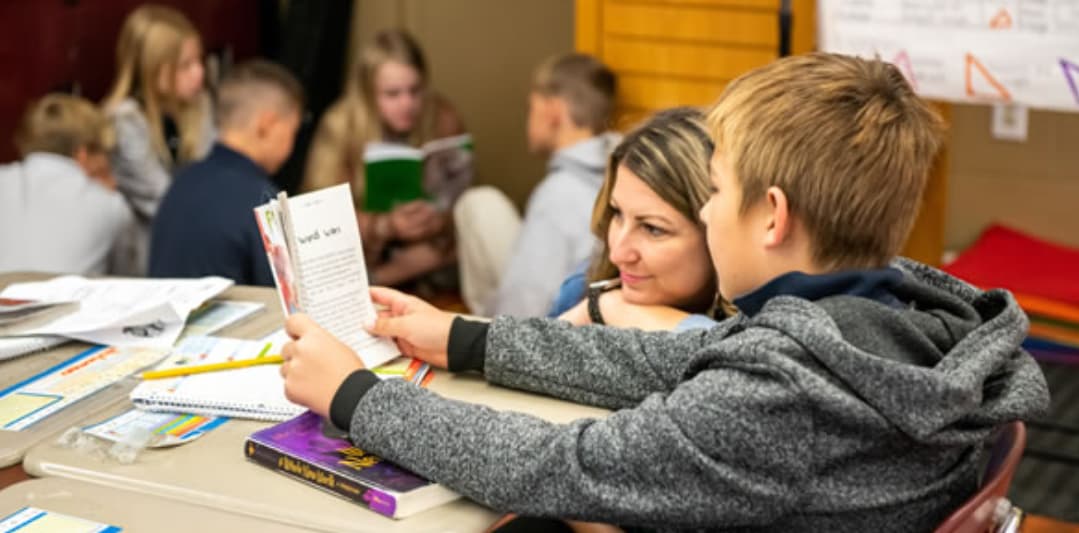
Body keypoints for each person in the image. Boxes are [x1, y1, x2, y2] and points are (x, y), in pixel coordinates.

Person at [278, 53, 1049, 531]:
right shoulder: (891, 317)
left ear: (771, 216)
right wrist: (462, 338)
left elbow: (559, 464)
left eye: (715, 191)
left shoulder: (781, 393)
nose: (708, 210)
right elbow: (651, 362)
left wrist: (353, 395)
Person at [454, 53, 618, 317]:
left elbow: (525, 307)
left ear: (553, 112)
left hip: (550, 329)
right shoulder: (621, 167)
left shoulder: (558, 195)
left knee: (478, 204)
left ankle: (479, 328)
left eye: (531, 107)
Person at [303, 29, 469, 287]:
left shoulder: (442, 117)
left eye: (415, 90)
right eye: (392, 94)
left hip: (433, 252)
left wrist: (438, 220)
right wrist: (386, 226)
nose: (407, 104)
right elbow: (319, 216)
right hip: (362, 259)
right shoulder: (340, 126)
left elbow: (463, 196)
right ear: (368, 94)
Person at [547, 107, 728, 331]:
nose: (618, 255)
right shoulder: (581, 288)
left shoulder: (767, 324)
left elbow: (734, 351)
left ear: (717, 233)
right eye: (617, 214)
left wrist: (608, 310)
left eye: (653, 229)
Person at [149, 60, 303, 285]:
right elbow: (288, 297)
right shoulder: (262, 200)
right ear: (267, 125)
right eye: (293, 132)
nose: (291, 146)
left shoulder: (181, 181)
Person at [102, 4, 214, 275]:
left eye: (199, 61)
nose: (199, 73)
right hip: (146, 258)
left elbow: (214, 176)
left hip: (196, 239)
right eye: (185, 65)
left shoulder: (199, 106)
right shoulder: (124, 121)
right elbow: (164, 201)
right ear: (152, 69)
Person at [0, 94, 132, 275]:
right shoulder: (110, 205)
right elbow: (130, 279)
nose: (108, 163)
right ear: (83, 154)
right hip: (72, 301)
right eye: (105, 153)